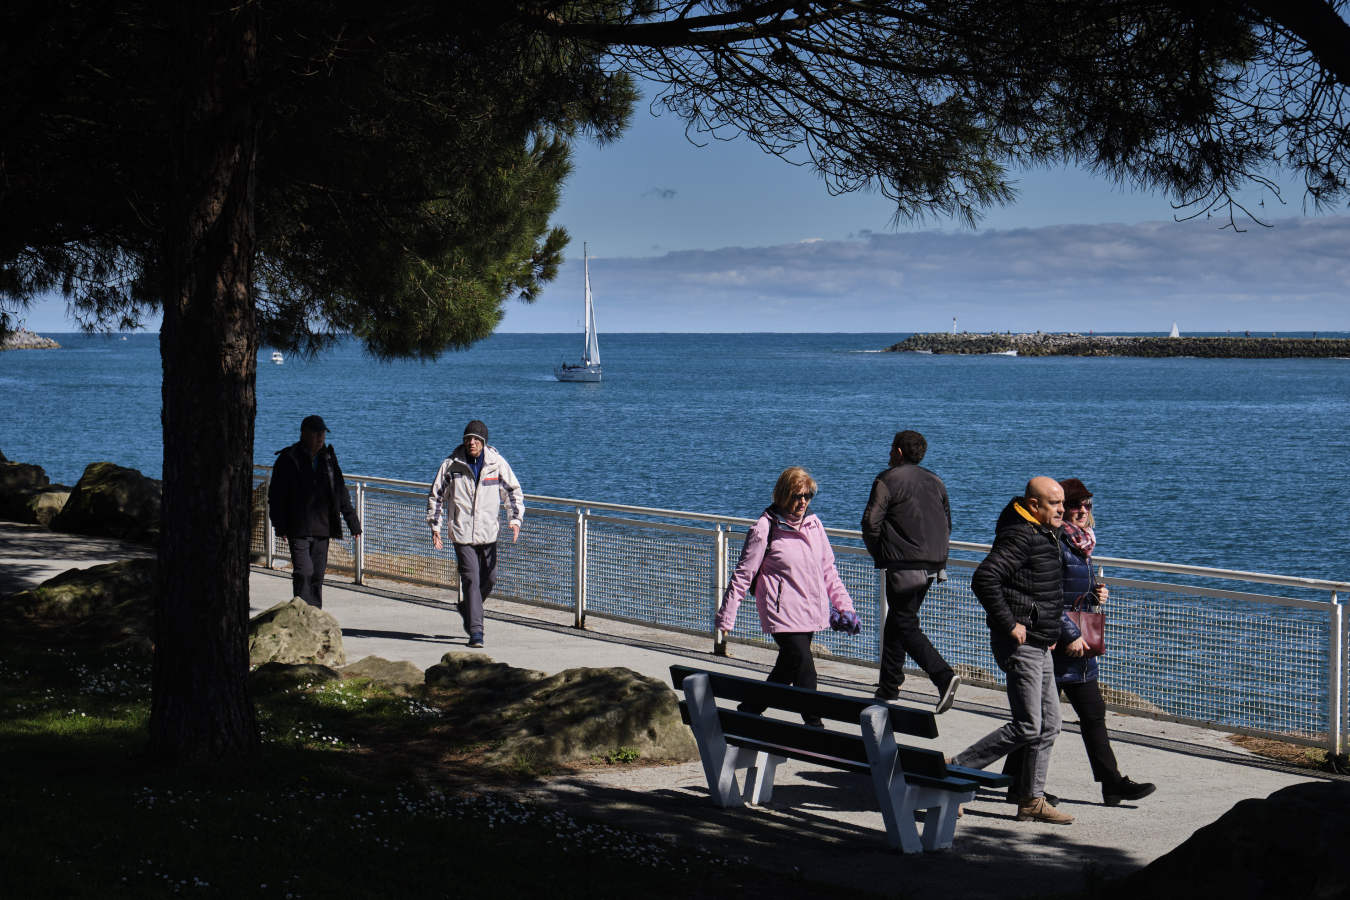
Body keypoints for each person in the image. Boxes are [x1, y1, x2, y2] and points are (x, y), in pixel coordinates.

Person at [1004, 479, 1157, 807]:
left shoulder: (1081, 544)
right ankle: (1018, 784)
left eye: (1087, 506)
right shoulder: (1056, 543)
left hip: (1079, 643)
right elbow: (1048, 597)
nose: (1082, 511)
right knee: (1037, 720)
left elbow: (1072, 590)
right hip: (1058, 643)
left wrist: (1096, 593)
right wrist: (1070, 635)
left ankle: (1111, 783)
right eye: (1075, 506)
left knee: (1091, 714)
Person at [950, 477, 1074, 825]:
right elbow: (984, 579)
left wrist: (1049, 628)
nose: (1062, 509)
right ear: (1034, 505)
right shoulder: (1021, 536)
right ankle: (954, 772)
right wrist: (1010, 623)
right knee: (1027, 725)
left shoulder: (1047, 534)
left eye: (1062, 502)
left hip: (1040, 641)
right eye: (1054, 503)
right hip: (1020, 644)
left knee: (1050, 724)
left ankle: (1031, 799)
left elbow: (1042, 587)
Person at [715, 467, 859, 727]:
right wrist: (726, 618)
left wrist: (845, 607)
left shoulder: (815, 525)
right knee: (805, 666)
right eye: (797, 495)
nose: (803, 501)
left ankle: (748, 710)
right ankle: (816, 728)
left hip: (809, 610)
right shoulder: (764, 527)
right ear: (783, 495)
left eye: (808, 495)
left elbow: (829, 571)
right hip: (781, 612)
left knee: (785, 670)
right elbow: (743, 575)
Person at [861, 429, 960, 713]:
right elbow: (947, 522)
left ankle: (943, 676)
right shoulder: (936, 481)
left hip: (903, 564)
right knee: (898, 620)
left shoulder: (887, 479)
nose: (889, 453)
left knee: (904, 624)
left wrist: (880, 552)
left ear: (899, 452)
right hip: (933, 564)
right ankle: (889, 688)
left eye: (891, 448)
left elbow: (870, 523)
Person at [426, 419, 524, 649]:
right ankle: (476, 632)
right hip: (462, 533)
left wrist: (515, 520)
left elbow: (513, 492)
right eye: (468, 439)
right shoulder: (452, 465)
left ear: (483, 442)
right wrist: (435, 527)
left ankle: (467, 608)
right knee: (471, 579)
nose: (472, 443)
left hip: (488, 532)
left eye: (476, 439)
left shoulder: (496, 464)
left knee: (489, 579)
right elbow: (437, 497)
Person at [267, 414, 362, 609]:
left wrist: (353, 523)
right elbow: (275, 496)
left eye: (323, 433)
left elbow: (341, 492)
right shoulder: (288, 458)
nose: (320, 437)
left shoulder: (328, 459)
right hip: (297, 528)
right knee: (304, 572)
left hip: (322, 528)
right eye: (316, 433)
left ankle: (315, 617)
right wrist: (279, 526)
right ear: (304, 433)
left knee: (317, 576)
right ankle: (301, 613)